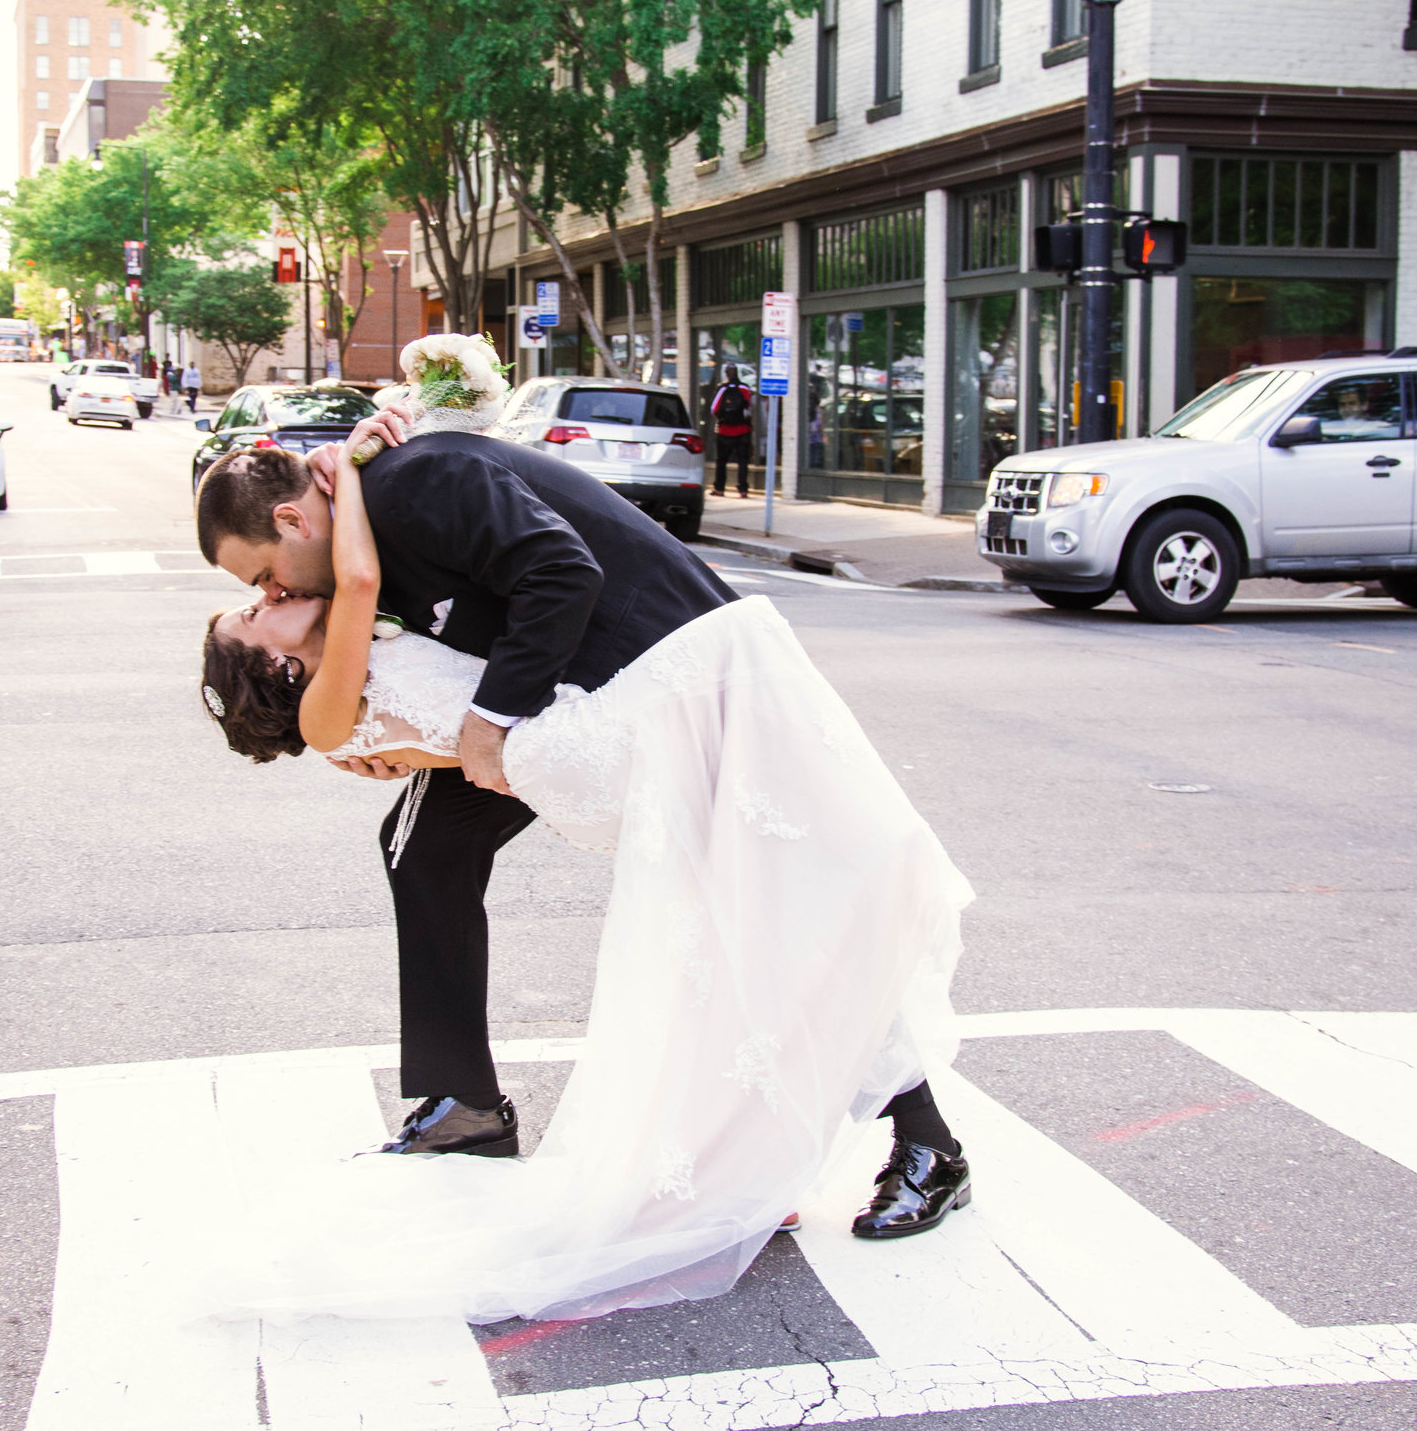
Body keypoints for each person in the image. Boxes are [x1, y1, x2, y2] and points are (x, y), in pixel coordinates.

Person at [192, 413, 971, 1325]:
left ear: (292, 520)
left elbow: (561, 571)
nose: (268, 590)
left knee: (778, 918)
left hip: (673, 678)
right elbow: (390, 608)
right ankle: (467, 1104)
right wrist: (399, 729)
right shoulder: (358, 526)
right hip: (564, 712)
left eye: (258, 577)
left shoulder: (416, 483)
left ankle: (927, 1143)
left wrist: (476, 721)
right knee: (425, 849)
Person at [708, 365, 755, 498]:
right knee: (743, 461)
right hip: (743, 430)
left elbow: (714, 409)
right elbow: (749, 409)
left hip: (724, 431)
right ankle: (743, 490)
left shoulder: (722, 388)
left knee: (721, 461)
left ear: (727, 374)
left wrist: (724, 418)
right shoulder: (745, 388)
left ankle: (719, 488)